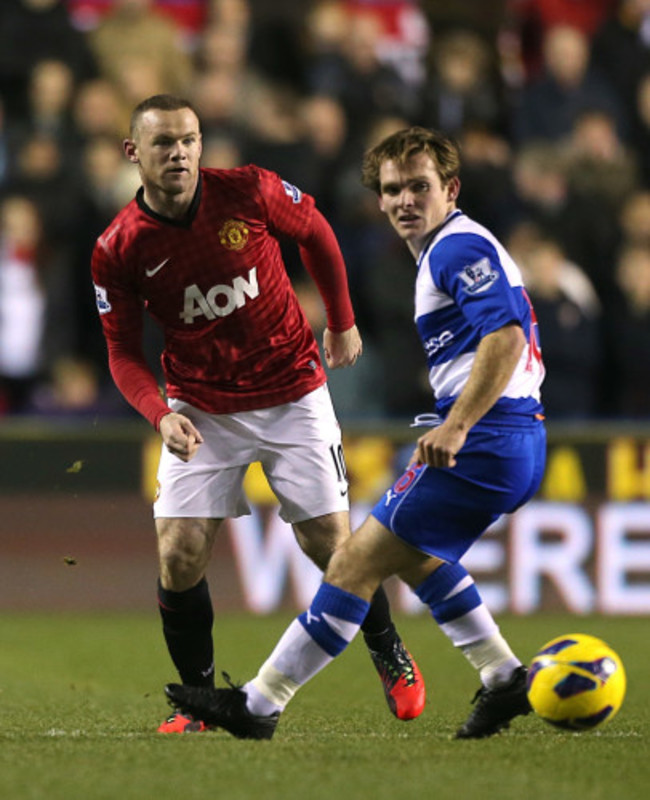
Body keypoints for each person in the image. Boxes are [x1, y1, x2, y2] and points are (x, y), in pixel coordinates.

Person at [165, 126, 547, 740]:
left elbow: (502, 339)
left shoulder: (454, 250)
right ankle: (504, 680)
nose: (404, 201)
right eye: (392, 189)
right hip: (513, 439)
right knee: (419, 557)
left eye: (419, 187)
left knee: (349, 566)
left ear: (450, 188)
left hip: (487, 439)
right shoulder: (448, 248)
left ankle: (258, 706)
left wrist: (458, 423)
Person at [90, 94, 424, 733]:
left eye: (189, 139)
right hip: (202, 405)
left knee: (330, 545)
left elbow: (318, 234)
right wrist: (159, 414)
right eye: (163, 143)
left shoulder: (249, 191)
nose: (180, 152)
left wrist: (343, 321)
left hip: (292, 388)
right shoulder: (118, 247)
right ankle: (198, 700)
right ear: (134, 152)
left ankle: (389, 650)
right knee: (179, 552)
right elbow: (122, 352)